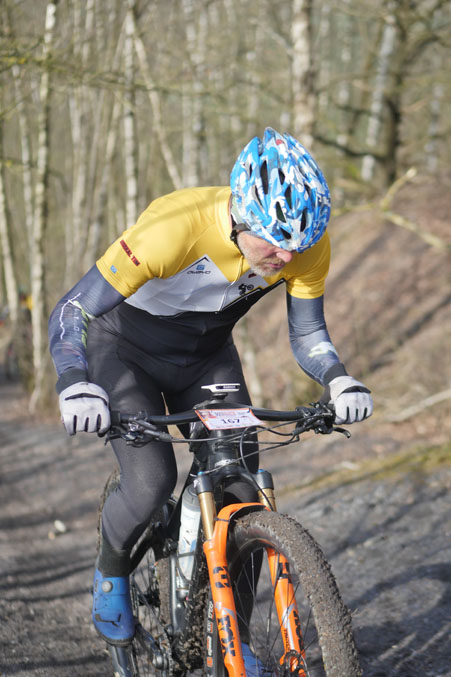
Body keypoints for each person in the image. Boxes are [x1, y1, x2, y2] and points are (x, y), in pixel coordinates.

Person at [48, 128, 372, 660]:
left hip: (205, 357)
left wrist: (338, 379)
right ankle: (111, 570)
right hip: (122, 351)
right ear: (240, 217)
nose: (286, 257)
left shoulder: (304, 244)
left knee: (242, 487)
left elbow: (309, 332)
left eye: (298, 246)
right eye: (274, 242)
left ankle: (233, 642)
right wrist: (74, 383)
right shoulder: (174, 229)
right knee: (152, 480)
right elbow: (73, 308)